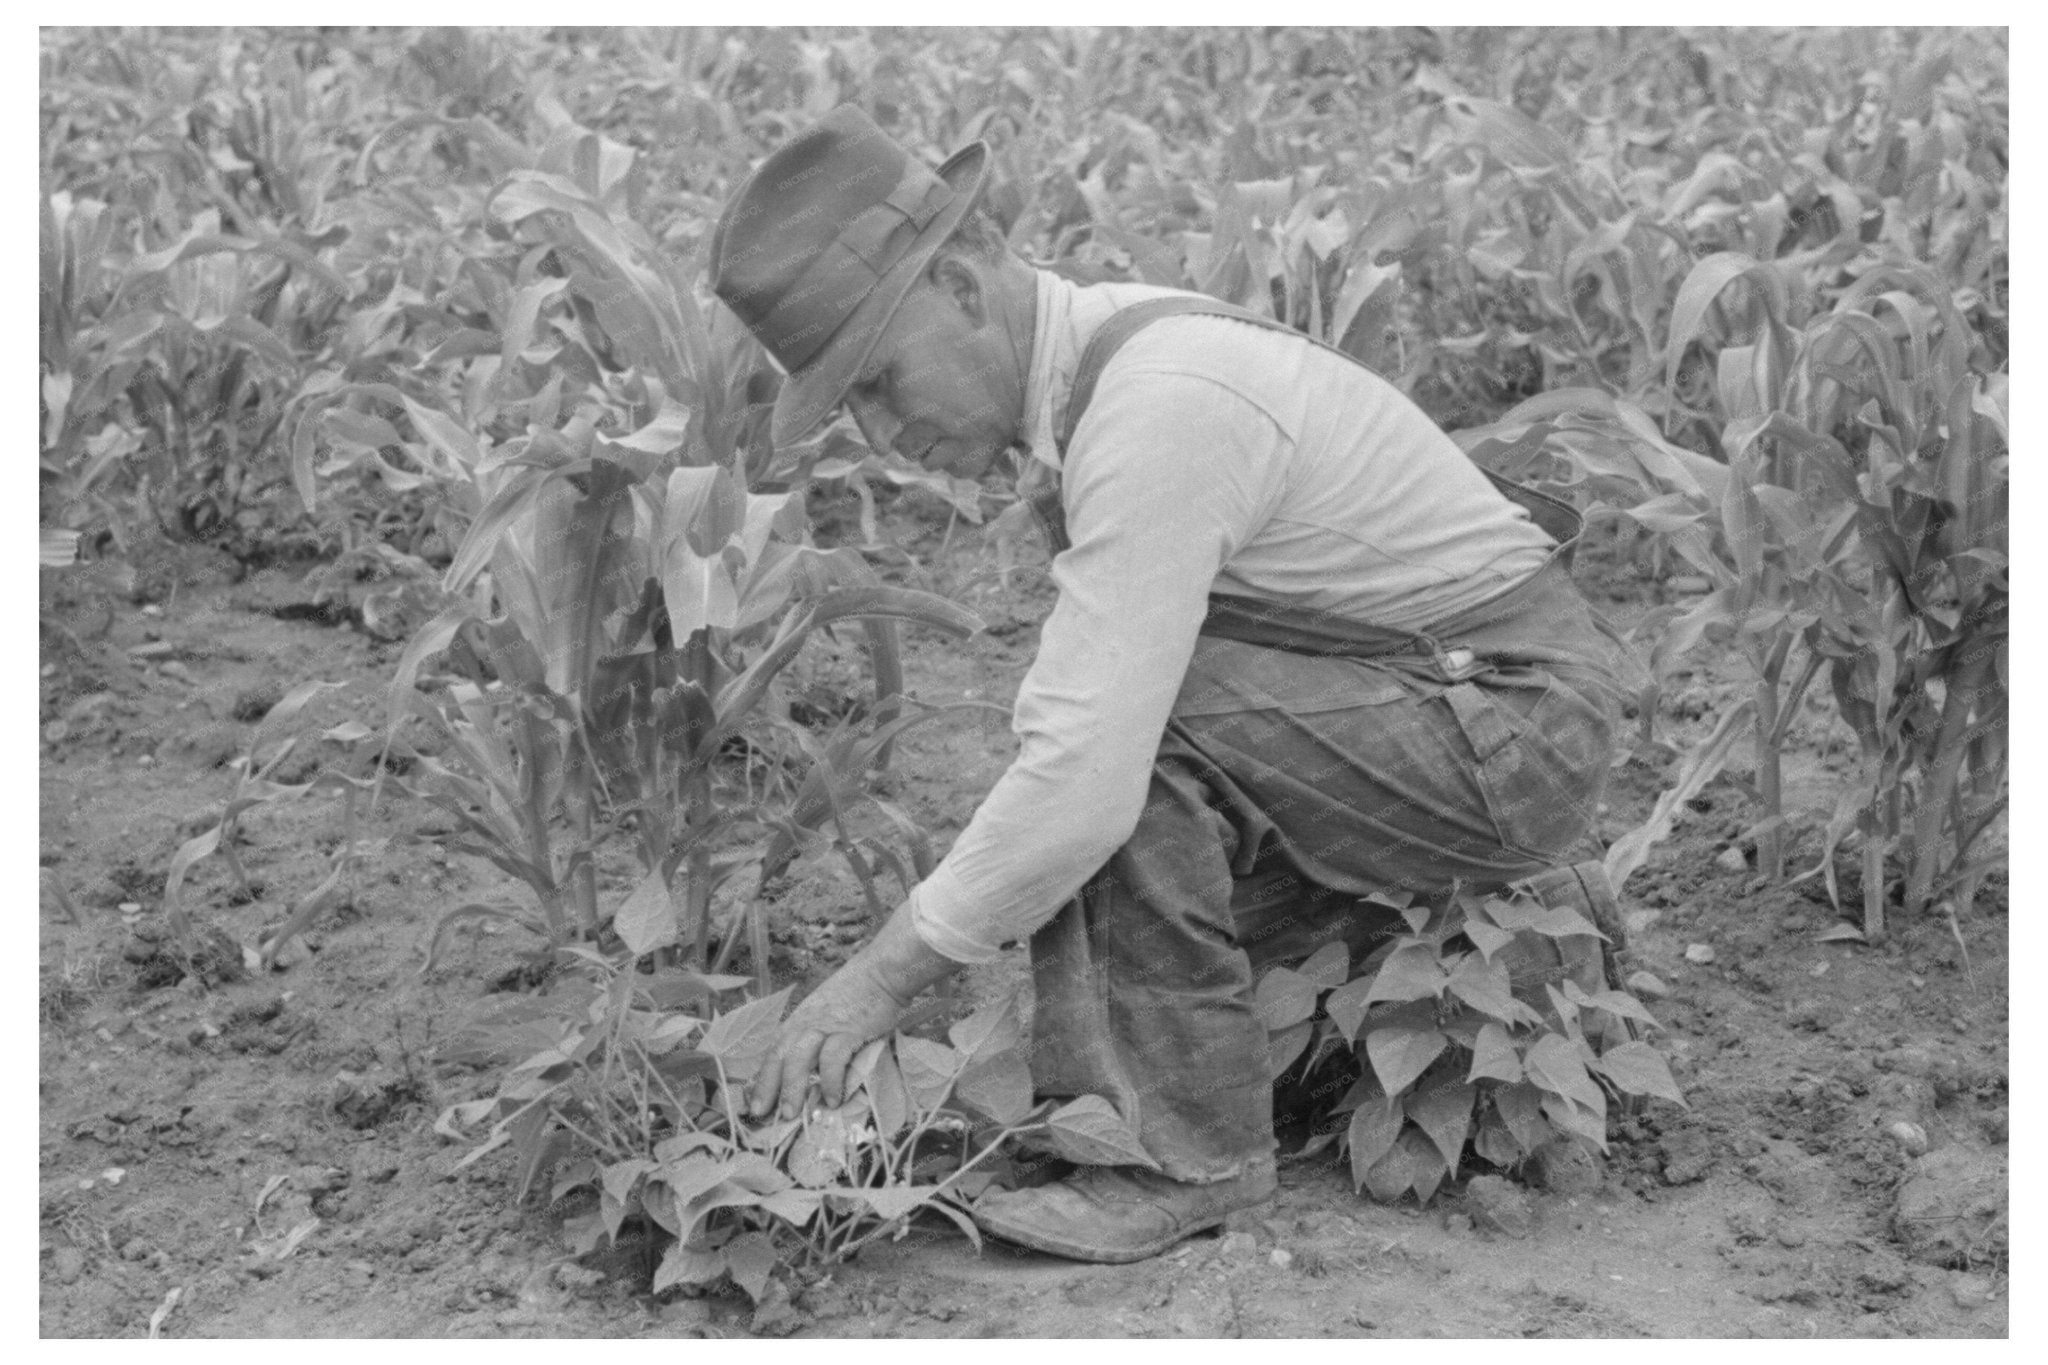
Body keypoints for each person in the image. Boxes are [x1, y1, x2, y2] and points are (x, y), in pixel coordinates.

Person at [707, 106, 1642, 1264]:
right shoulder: (1105, 367)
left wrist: (875, 981)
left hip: (1510, 725)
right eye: (853, 403)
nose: (885, 428)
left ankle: (1180, 1161)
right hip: (1428, 703)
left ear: (958, 283)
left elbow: (1084, 781)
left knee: (1126, 752)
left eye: (883, 379)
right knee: (1083, 894)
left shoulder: (1159, 411)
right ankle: (1411, 947)